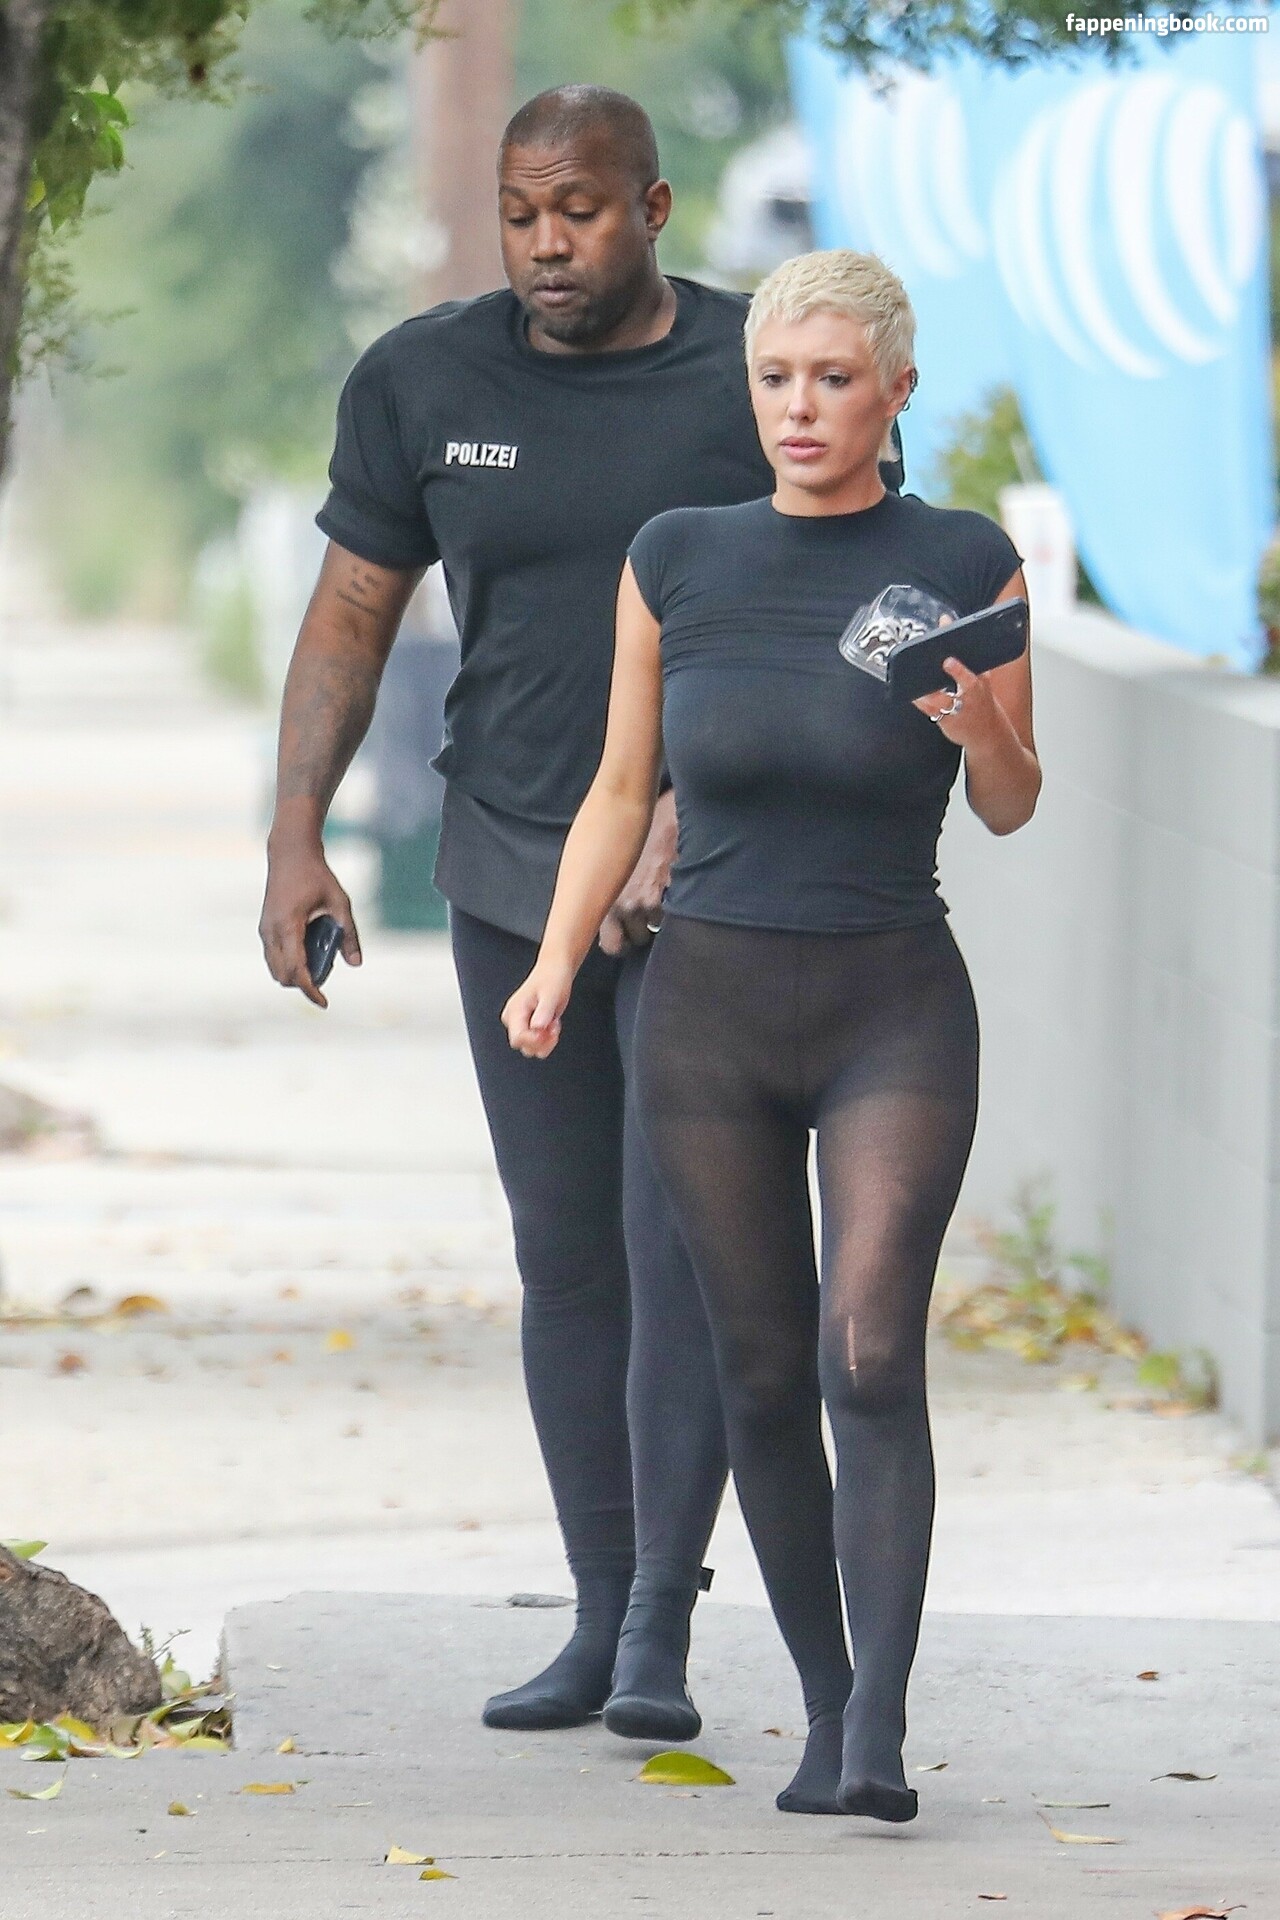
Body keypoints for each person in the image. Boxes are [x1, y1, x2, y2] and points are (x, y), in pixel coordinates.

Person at [260, 84, 905, 1742]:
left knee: (676, 1249)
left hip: (718, 893)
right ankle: (601, 1607)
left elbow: (858, 598)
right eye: (521, 213)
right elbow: (351, 615)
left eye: (582, 211)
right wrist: (295, 834)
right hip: (506, 867)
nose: (548, 243)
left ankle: (656, 1637)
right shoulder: (423, 381)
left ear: (656, 209)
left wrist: (695, 807)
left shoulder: (749, 376)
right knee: (564, 1256)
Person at [502, 249, 1041, 1819]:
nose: (799, 408)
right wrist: (553, 963)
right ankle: (819, 1703)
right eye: (776, 379)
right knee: (754, 1373)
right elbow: (622, 789)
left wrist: (976, 723)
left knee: (865, 1351)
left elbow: (1014, 802)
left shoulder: (965, 556)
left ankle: (876, 1730)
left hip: (893, 1007)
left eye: (833, 380)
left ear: (896, 391)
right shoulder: (678, 556)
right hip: (709, 1019)